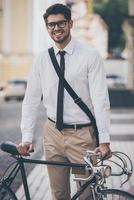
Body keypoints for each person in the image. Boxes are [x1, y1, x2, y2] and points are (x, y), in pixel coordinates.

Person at [17, 3, 111, 200]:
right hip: (52, 134)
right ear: (47, 27)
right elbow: (31, 99)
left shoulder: (89, 55)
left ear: (70, 23)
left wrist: (104, 141)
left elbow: (100, 99)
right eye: (51, 25)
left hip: (83, 135)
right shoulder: (41, 59)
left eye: (61, 23)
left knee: (88, 194)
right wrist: (27, 136)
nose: (56, 28)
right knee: (58, 194)